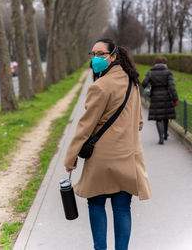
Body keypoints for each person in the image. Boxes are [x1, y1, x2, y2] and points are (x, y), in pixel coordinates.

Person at [64, 38, 151, 250]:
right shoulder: (133, 82)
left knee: (96, 204)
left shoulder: (100, 86)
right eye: (92, 54)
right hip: (128, 157)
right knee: (122, 209)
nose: (95, 58)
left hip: (102, 160)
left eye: (100, 54)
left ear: (113, 56)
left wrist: (70, 159)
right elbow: (139, 123)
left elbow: (85, 127)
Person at [142, 56, 178, 145]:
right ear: (165, 63)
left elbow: (143, 84)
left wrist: (151, 84)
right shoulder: (168, 72)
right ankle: (165, 134)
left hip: (155, 96)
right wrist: (175, 98)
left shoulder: (150, 72)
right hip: (166, 96)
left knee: (158, 118)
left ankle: (161, 138)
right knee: (165, 116)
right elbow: (172, 86)